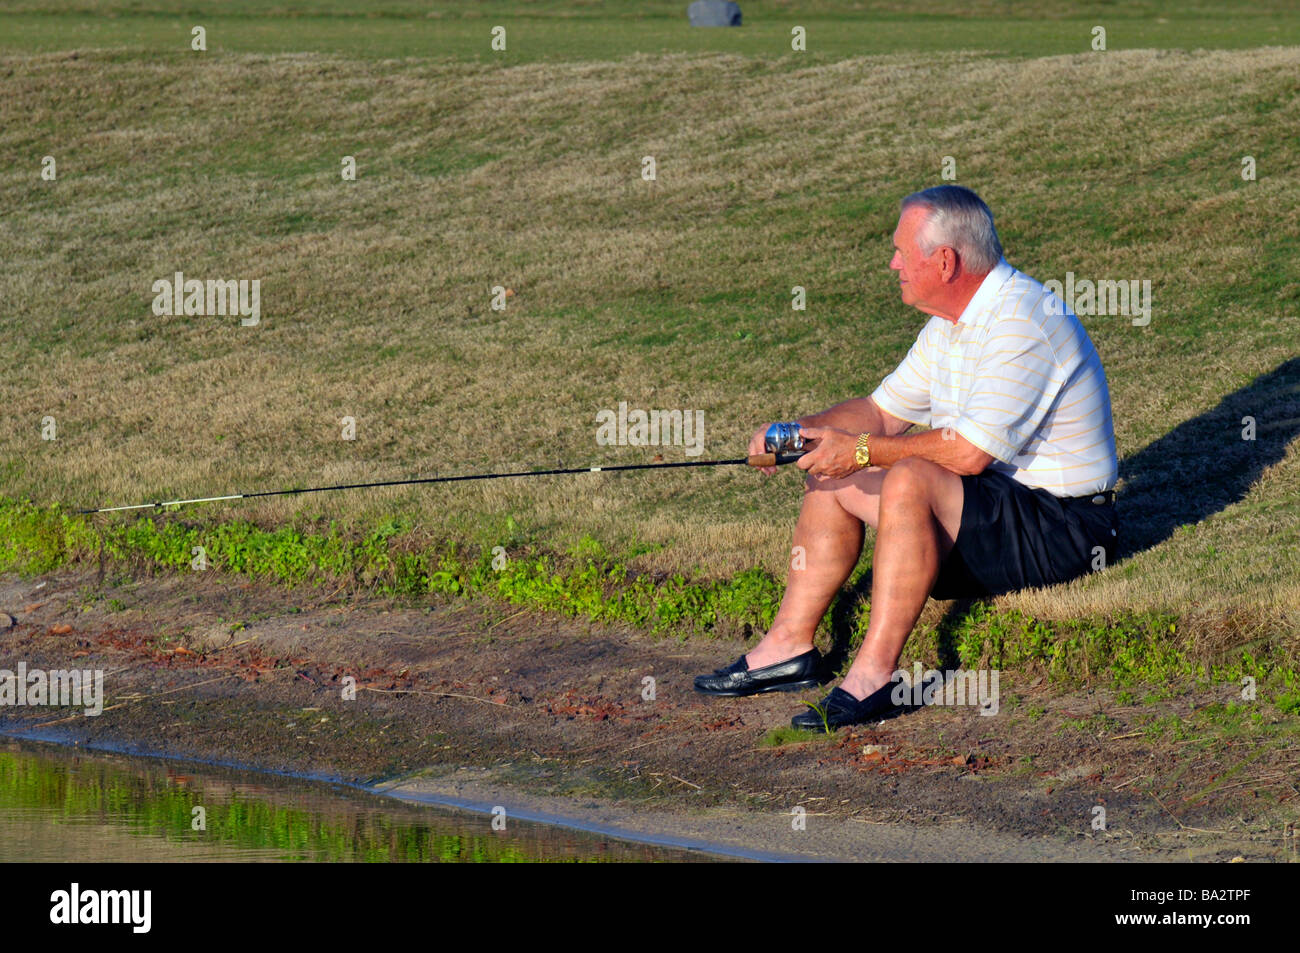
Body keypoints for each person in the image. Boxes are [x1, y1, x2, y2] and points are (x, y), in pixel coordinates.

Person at [694, 185, 1119, 730]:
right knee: (833, 473)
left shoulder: (1021, 322)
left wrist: (863, 451)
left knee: (908, 476)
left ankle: (875, 675)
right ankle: (789, 648)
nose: (893, 262)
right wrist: (805, 433)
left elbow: (967, 454)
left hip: (1067, 527)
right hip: (997, 506)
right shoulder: (951, 324)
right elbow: (880, 412)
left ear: (945, 261)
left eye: (901, 251)